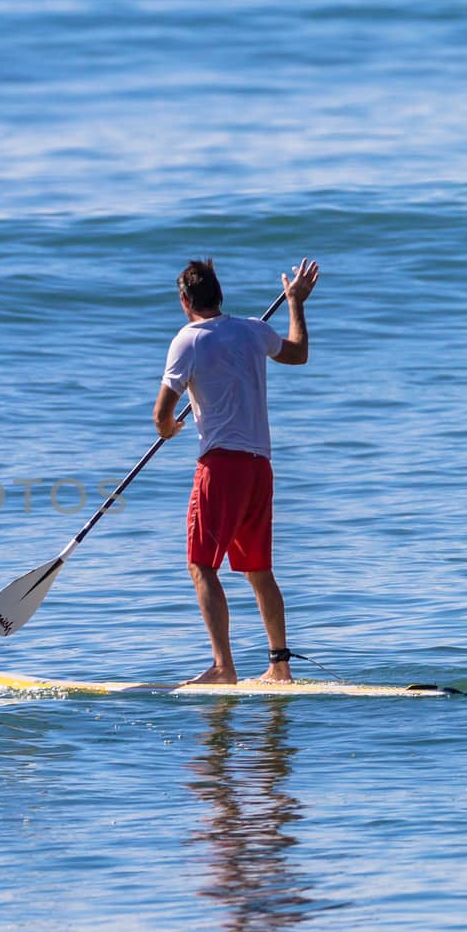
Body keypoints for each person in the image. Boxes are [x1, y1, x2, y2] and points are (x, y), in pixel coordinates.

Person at [152, 257, 319, 684]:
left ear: (185, 301)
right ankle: (279, 667)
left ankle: (224, 668)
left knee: (201, 566)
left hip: (221, 467)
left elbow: (162, 414)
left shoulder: (187, 340)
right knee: (259, 570)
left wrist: (169, 429)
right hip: (259, 467)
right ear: (218, 295)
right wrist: (296, 302)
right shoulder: (252, 329)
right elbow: (298, 354)